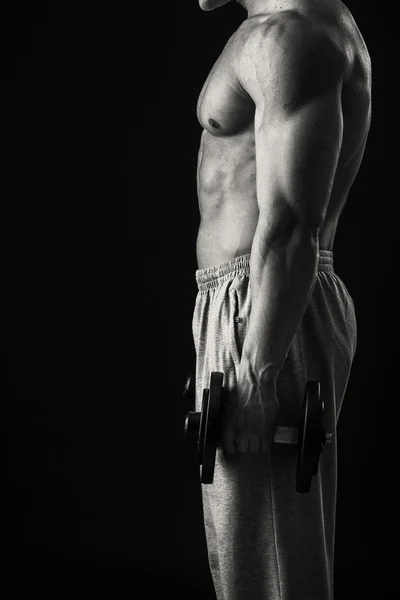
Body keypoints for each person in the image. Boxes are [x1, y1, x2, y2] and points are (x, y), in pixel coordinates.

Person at [191, 0, 371, 598]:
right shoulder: (283, 32)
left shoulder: (291, 37)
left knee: (273, 574)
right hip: (248, 302)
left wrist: (256, 373)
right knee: (250, 564)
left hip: (266, 309)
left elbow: (294, 222)